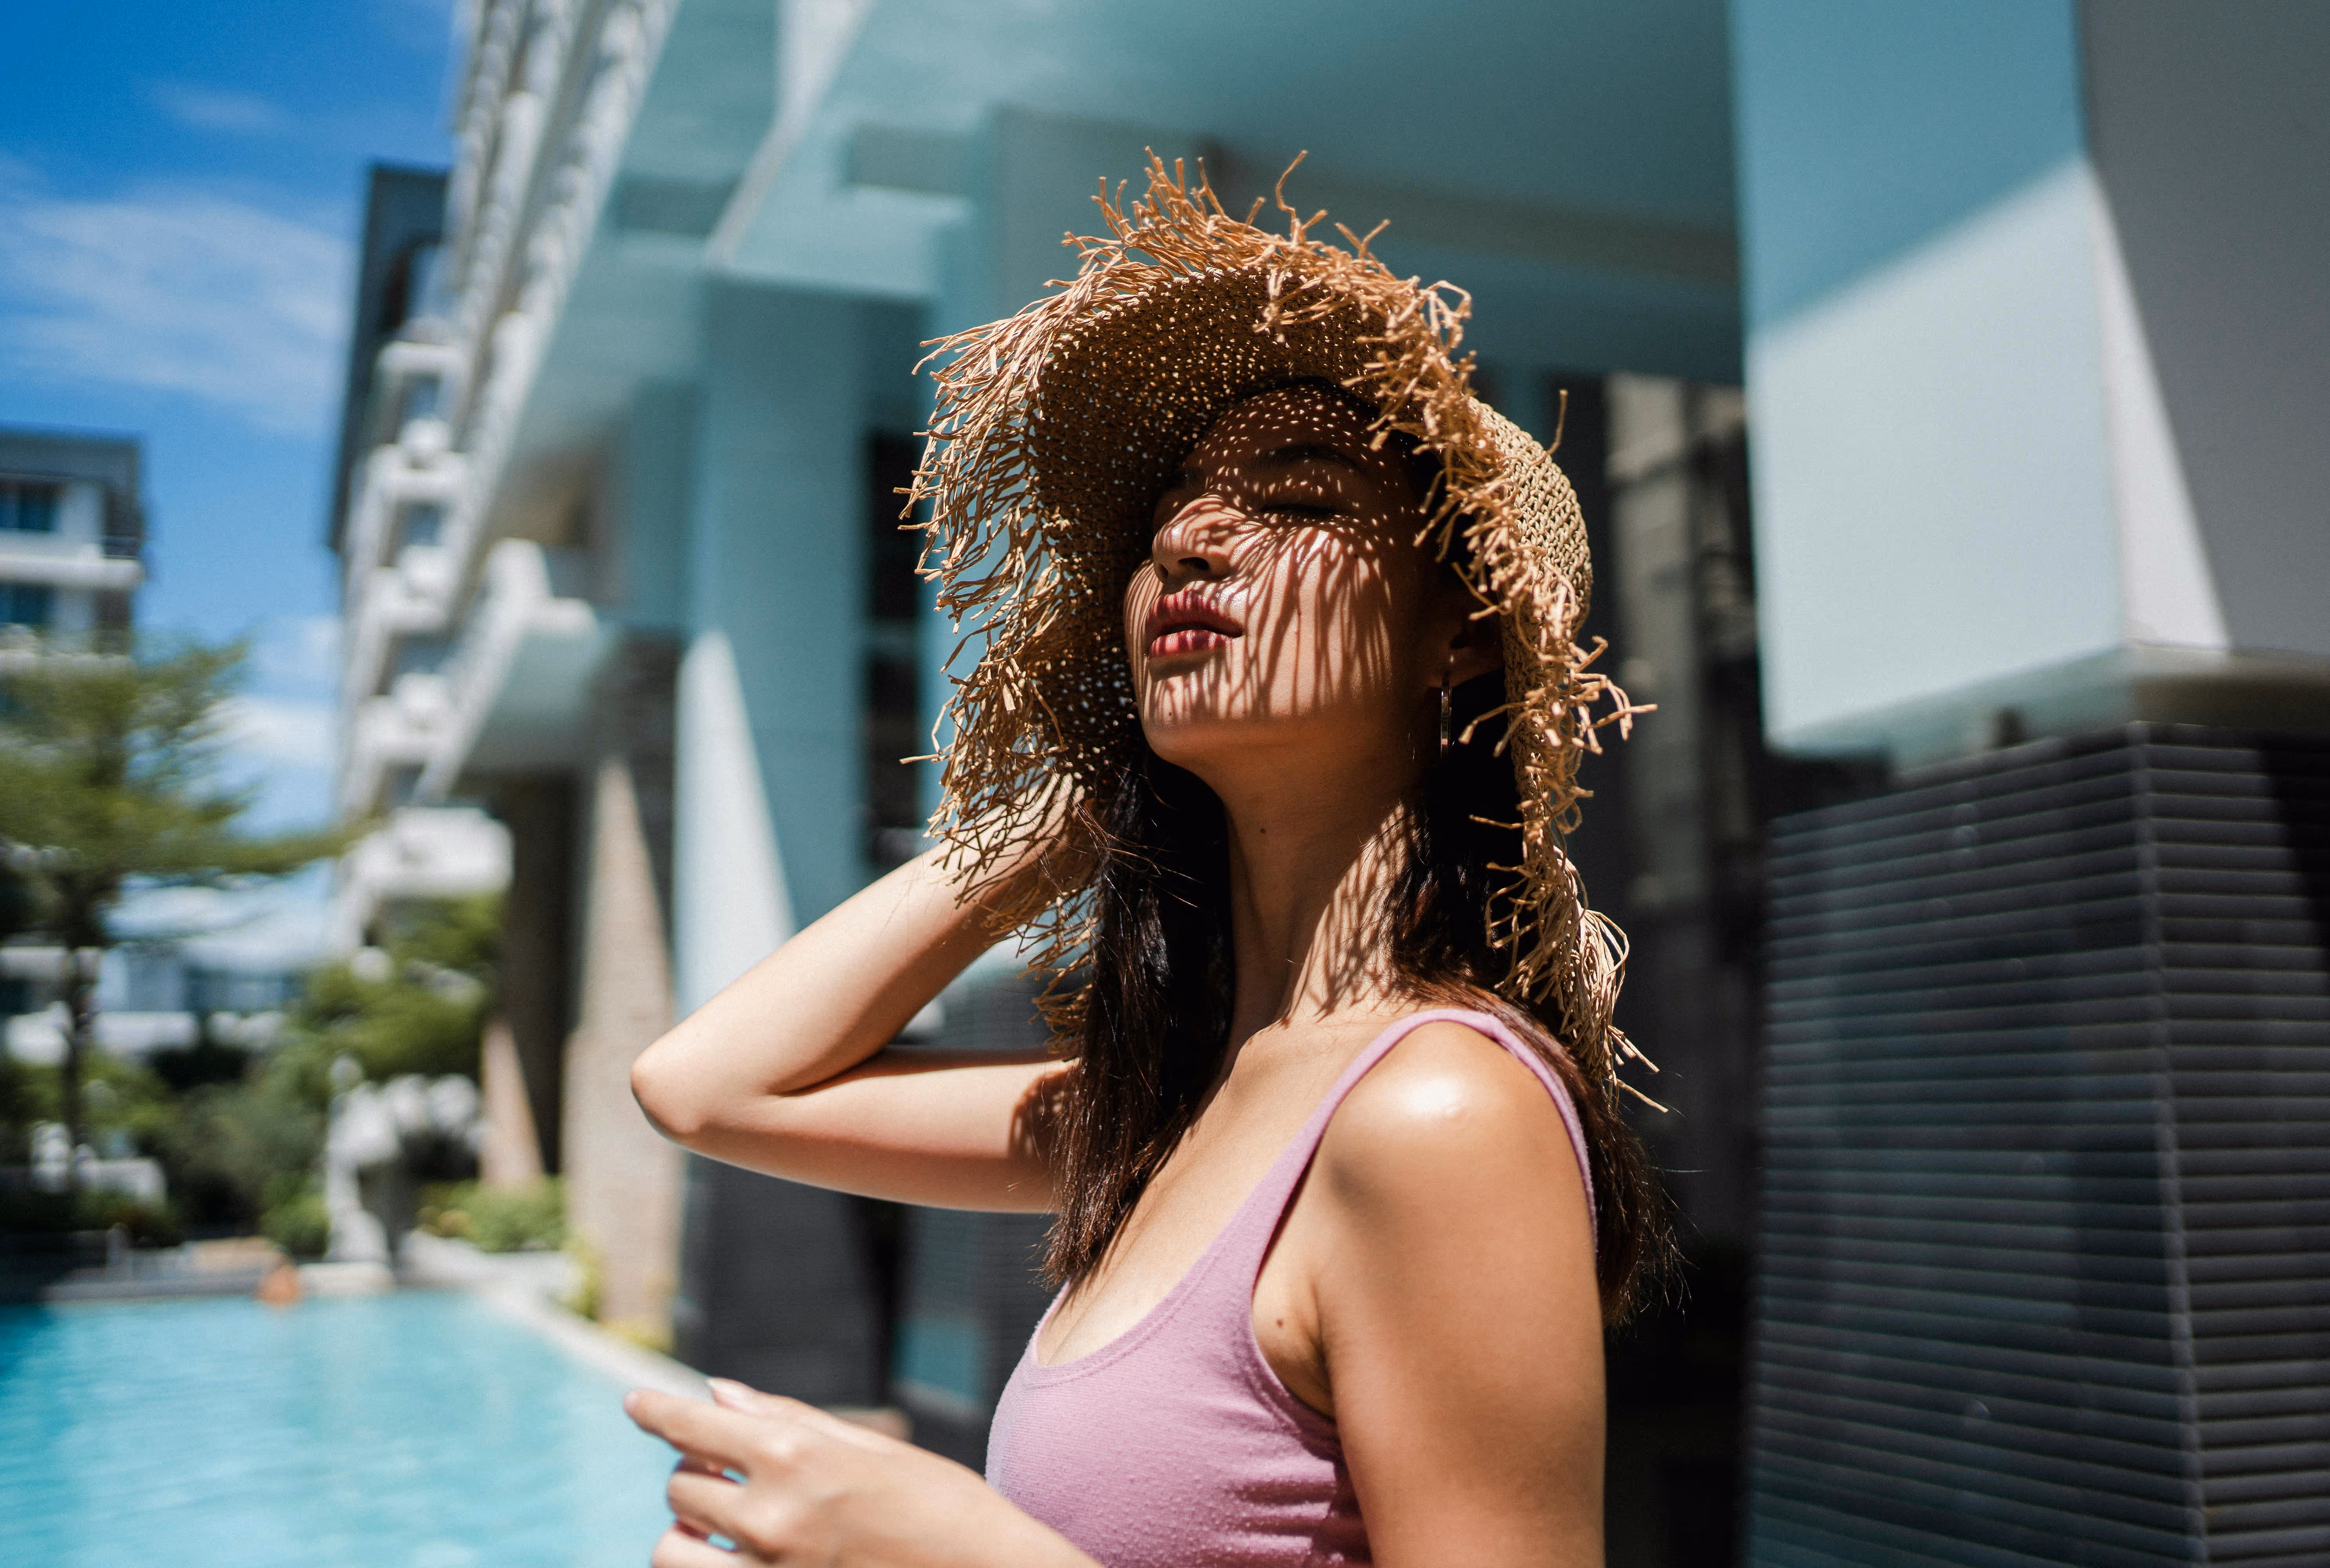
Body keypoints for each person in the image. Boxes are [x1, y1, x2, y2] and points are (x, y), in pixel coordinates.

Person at [623, 156, 1671, 1568]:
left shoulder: (1436, 1112)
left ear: (1463, 632)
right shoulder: (1166, 1115)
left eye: (1299, 496)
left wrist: (959, 1550)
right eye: (1175, 505)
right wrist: (1074, 798)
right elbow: (705, 1086)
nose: (1187, 535)